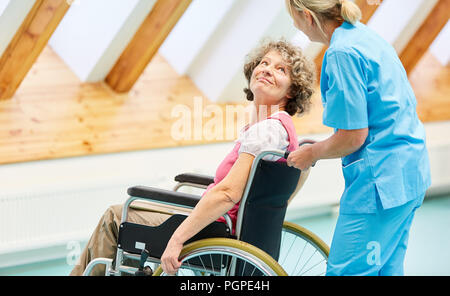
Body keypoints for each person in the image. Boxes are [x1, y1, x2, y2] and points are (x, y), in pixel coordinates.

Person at [70, 39, 315, 276]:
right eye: (264, 63)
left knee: (115, 217)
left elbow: (228, 193)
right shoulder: (273, 128)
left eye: (280, 69)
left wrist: (177, 239)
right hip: (223, 225)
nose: (267, 70)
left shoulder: (266, 132)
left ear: (293, 90)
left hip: (217, 230)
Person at [284, 0, 431, 276]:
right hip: (410, 175)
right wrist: (322, 146)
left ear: (307, 16)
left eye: (294, 18)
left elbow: (353, 138)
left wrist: (311, 154)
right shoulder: (364, 36)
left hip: (381, 185)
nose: (296, 26)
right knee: (385, 269)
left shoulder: (341, 54)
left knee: (346, 272)